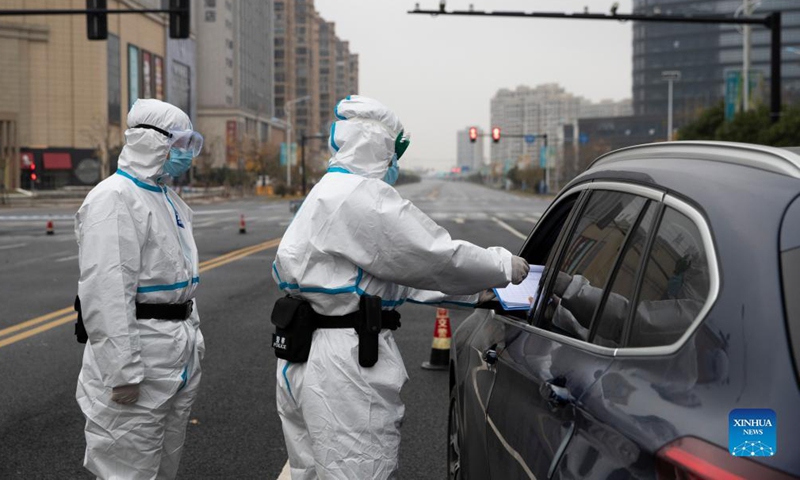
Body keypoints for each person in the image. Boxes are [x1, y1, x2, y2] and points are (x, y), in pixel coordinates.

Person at [271, 95, 530, 479]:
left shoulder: (329, 190)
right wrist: (502, 266)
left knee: (312, 471)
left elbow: (392, 275)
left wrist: (476, 293)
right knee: (359, 470)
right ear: (377, 142)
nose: (397, 159)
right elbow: (435, 256)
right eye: (397, 147)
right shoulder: (362, 197)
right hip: (344, 362)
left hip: (308, 351)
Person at [74, 99, 205, 479]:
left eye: (190, 144)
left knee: (162, 464)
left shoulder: (164, 198)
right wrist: (123, 372)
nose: (187, 154)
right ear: (152, 140)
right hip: (140, 360)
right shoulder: (115, 198)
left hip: (172, 356)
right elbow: (107, 292)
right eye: (181, 143)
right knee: (126, 468)